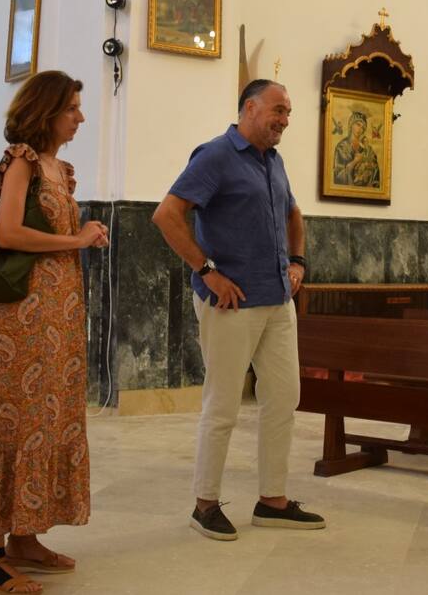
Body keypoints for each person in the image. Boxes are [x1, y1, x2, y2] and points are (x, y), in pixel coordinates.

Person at [152, 79, 326, 542]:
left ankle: (273, 500)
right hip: (231, 302)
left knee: (283, 399)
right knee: (224, 404)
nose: (285, 120)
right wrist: (206, 270)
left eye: (288, 113)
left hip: (277, 300)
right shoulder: (215, 155)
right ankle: (205, 504)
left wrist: (297, 261)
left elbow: (293, 213)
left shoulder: (273, 160)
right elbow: (166, 214)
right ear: (249, 107)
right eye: (278, 110)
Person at [0, 70, 108, 594]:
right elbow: (7, 233)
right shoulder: (21, 159)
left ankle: (24, 537)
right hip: (20, 316)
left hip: (56, 314)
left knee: (46, 418)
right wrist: (76, 240)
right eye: (72, 108)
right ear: (47, 111)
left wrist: (81, 237)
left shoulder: (58, 168)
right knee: (12, 420)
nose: (80, 117)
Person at [332, 110, 380, 188]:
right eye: (358, 124)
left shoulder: (368, 149)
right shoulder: (342, 146)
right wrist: (355, 162)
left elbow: (375, 172)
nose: (360, 129)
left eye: (363, 127)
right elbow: (338, 175)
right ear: (351, 124)